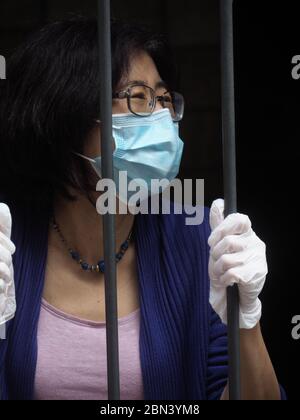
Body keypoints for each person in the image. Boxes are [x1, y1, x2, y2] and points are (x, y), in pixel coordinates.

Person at [0, 17, 285, 400]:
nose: (162, 118)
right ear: (66, 116)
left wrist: (246, 320)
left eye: (164, 99)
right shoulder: (7, 245)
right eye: (138, 98)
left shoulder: (200, 239)